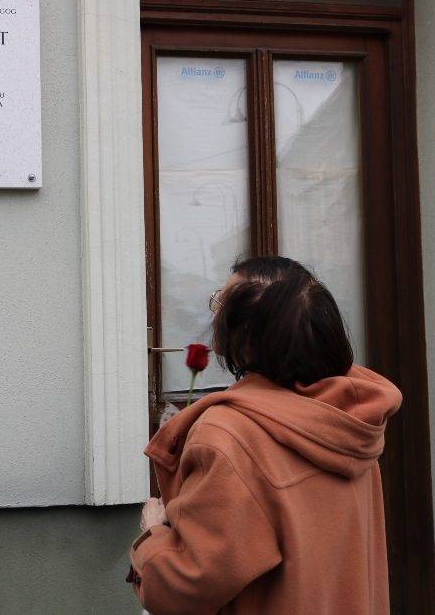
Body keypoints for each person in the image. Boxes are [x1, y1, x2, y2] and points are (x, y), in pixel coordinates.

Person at [128, 256, 401, 614]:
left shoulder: (232, 436)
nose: (214, 313)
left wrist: (152, 536)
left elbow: (186, 586)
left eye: (220, 303)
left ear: (244, 338)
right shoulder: (351, 417)